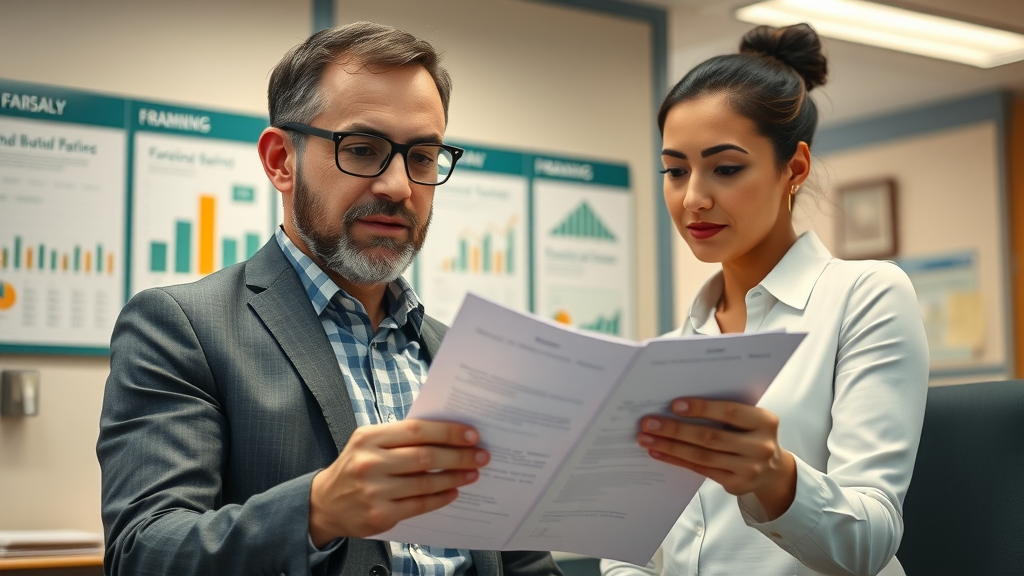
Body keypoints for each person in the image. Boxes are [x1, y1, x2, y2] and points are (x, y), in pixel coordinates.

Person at [97, 21, 563, 576]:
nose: (398, 186)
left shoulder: (466, 356)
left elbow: (524, 562)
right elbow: (143, 553)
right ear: (280, 161)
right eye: (363, 149)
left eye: (421, 157)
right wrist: (317, 509)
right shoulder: (182, 328)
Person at [600, 24, 928, 576]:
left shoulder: (865, 297)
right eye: (676, 171)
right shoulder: (664, 352)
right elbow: (631, 552)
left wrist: (774, 477)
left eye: (726, 169)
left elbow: (870, 544)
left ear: (794, 168)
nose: (694, 198)